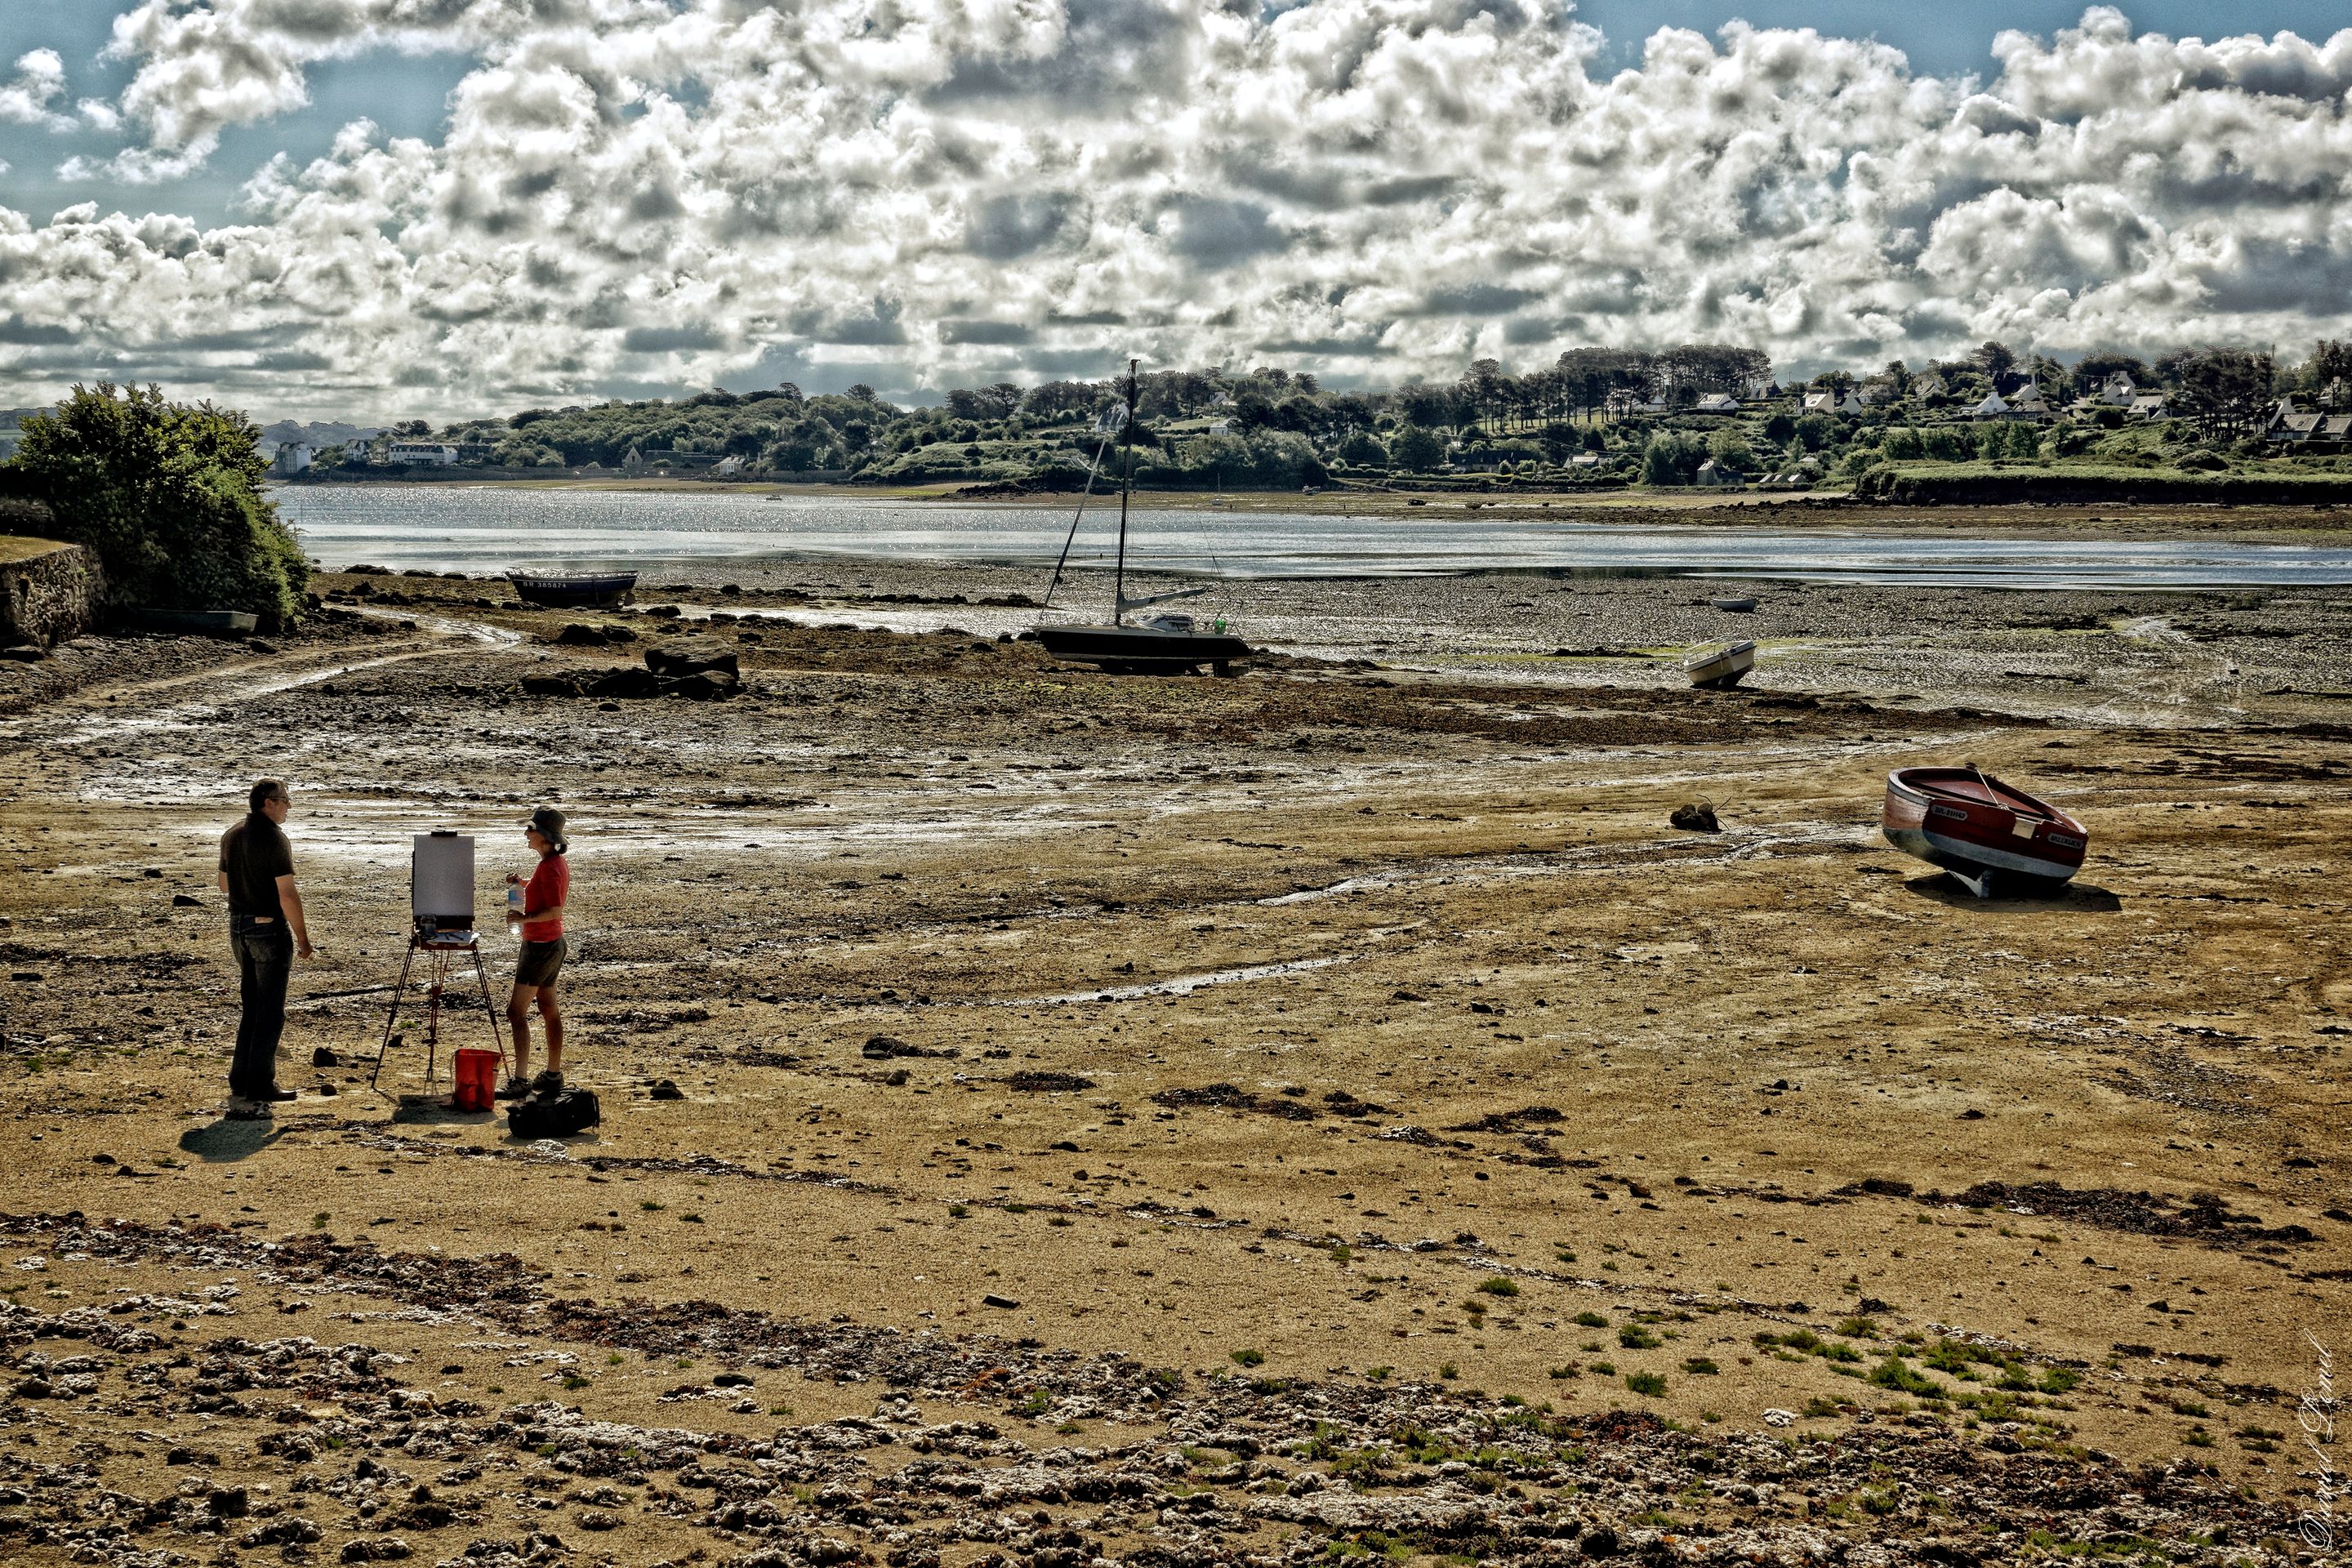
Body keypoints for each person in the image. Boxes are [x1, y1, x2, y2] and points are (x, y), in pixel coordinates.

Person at [216, 778, 314, 1118]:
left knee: (251, 1005)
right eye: (286, 800)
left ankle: (241, 1078)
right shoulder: (274, 837)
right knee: (271, 1009)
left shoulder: (232, 834)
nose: (289, 806)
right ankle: (259, 1082)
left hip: (237, 924)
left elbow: (223, 884)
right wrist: (302, 938)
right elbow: (287, 894)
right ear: (269, 803)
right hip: (267, 927)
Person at [501, 805, 570, 1100]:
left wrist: (524, 920)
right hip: (550, 944)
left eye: (530, 829)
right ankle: (553, 1073)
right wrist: (522, 884)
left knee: (516, 1012)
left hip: (541, 948)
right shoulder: (548, 864)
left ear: (543, 836)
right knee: (548, 1008)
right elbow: (542, 890)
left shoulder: (552, 867)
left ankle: (520, 1079)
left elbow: (555, 909)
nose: (526, 834)